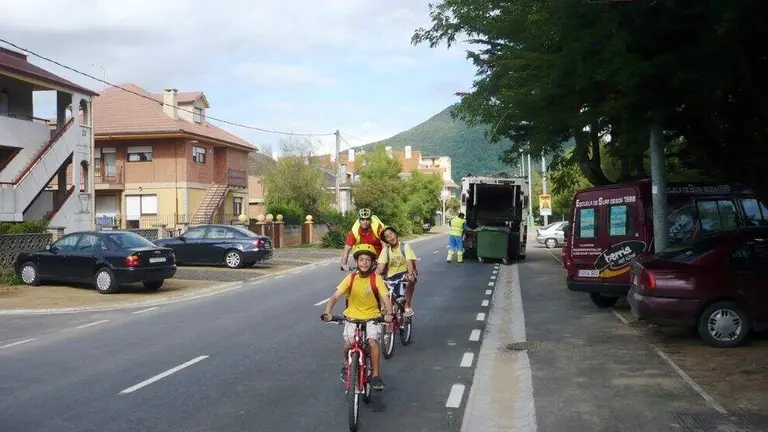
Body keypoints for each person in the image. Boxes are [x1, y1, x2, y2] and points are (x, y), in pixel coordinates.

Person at [322, 244, 394, 390]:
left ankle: (375, 375)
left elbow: (386, 299)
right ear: (357, 262)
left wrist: (389, 314)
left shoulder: (376, 279)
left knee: (372, 341)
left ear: (373, 262)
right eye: (361, 259)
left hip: (373, 317)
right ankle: (347, 364)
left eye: (368, 259)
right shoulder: (351, 278)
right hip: (352, 317)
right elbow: (334, 297)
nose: (364, 262)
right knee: (348, 343)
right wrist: (327, 312)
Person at [376, 226, 418, 316]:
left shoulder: (404, 246)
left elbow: (409, 261)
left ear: (395, 234)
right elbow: (380, 267)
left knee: (410, 279)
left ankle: (407, 305)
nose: (390, 237)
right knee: (380, 285)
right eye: (387, 236)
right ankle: (384, 308)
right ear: (386, 240)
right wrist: (373, 276)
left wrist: (410, 274)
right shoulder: (386, 250)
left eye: (391, 234)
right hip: (391, 277)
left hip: (404, 273)